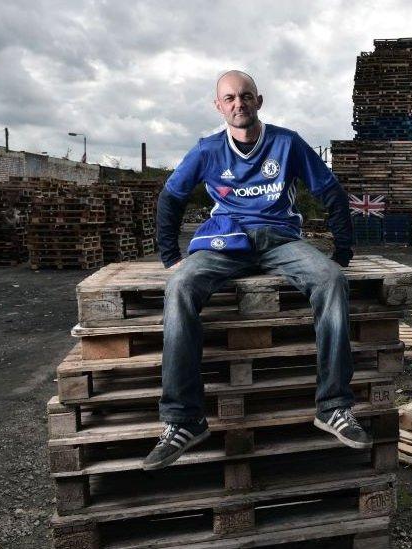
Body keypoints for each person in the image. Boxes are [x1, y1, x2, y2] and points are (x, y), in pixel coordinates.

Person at [142, 70, 369, 470]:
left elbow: (330, 189)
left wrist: (343, 251)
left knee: (332, 280)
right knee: (179, 284)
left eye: (245, 96)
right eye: (229, 98)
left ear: (258, 101)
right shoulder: (207, 149)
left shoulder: (286, 142)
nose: (238, 104)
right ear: (218, 105)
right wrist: (168, 256)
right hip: (226, 240)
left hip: (280, 238)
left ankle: (333, 406)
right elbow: (171, 197)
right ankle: (184, 420)